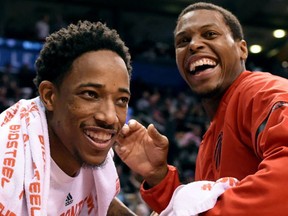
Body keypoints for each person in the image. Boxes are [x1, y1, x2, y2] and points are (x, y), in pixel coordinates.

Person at [115, 2, 288, 215]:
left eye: (210, 34)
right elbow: (204, 208)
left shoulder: (263, 92)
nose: (194, 45)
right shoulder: (209, 138)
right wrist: (158, 176)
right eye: (183, 41)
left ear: (242, 49)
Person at [0, 20, 136, 215]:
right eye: (90, 94)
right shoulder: (6, 161)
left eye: (121, 100)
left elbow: (105, 204)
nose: (109, 117)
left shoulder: (88, 153)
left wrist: (157, 178)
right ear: (49, 96)